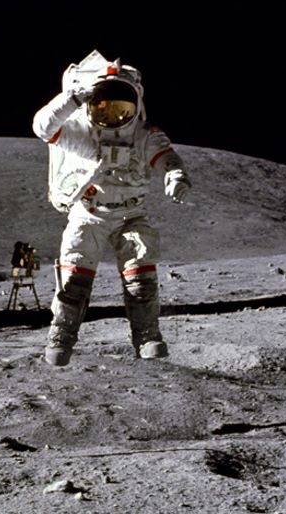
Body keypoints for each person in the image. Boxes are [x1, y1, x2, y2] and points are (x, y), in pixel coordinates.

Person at [32, 50, 190, 366]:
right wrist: (72, 100)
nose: (114, 113)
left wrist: (176, 175)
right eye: (104, 104)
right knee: (74, 279)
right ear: (92, 104)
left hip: (131, 214)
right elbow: (43, 127)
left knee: (140, 279)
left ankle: (147, 338)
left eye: (122, 104)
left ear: (136, 102)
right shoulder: (81, 133)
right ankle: (60, 339)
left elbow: (167, 157)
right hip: (89, 213)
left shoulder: (145, 135)